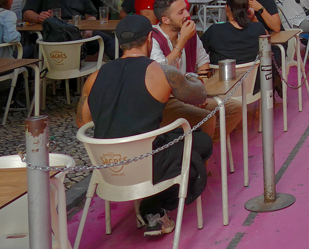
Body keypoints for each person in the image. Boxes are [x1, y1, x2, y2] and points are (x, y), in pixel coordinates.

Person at [76, 15, 212, 238]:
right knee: (201, 142)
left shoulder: (94, 77)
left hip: (108, 167)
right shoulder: (161, 72)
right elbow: (199, 96)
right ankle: (154, 208)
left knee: (171, 137)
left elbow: (82, 122)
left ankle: (152, 209)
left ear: (119, 42)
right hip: (147, 164)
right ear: (150, 38)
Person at [147, 0, 240, 140]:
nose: (187, 15)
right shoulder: (153, 37)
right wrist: (182, 40)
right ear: (165, 19)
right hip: (166, 102)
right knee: (207, 119)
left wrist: (198, 90)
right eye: (181, 12)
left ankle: (199, 148)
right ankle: (196, 149)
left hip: (189, 93)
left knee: (234, 109)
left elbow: (203, 62)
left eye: (186, 9)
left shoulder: (188, 31)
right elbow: (161, 70)